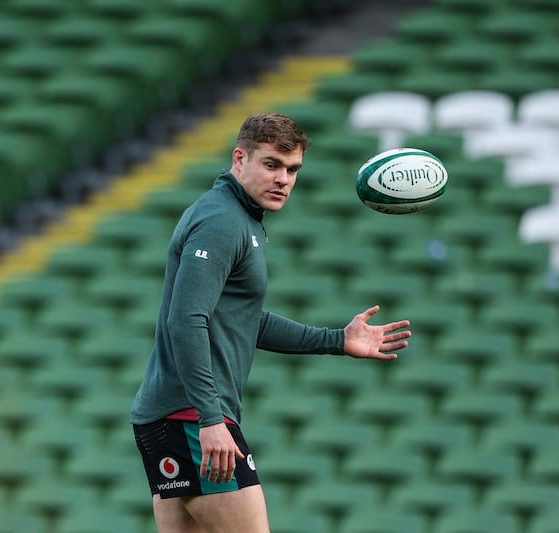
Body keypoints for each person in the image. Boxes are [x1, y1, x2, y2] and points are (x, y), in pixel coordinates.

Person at [130, 113, 411, 532]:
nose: (283, 179)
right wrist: (210, 418)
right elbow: (186, 320)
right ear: (239, 158)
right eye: (271, 164)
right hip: (190, 416)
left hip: (171, 415)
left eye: (292, 169)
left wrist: (337, 339)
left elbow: (244, 320)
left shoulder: (238, 218)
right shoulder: (222, 221)